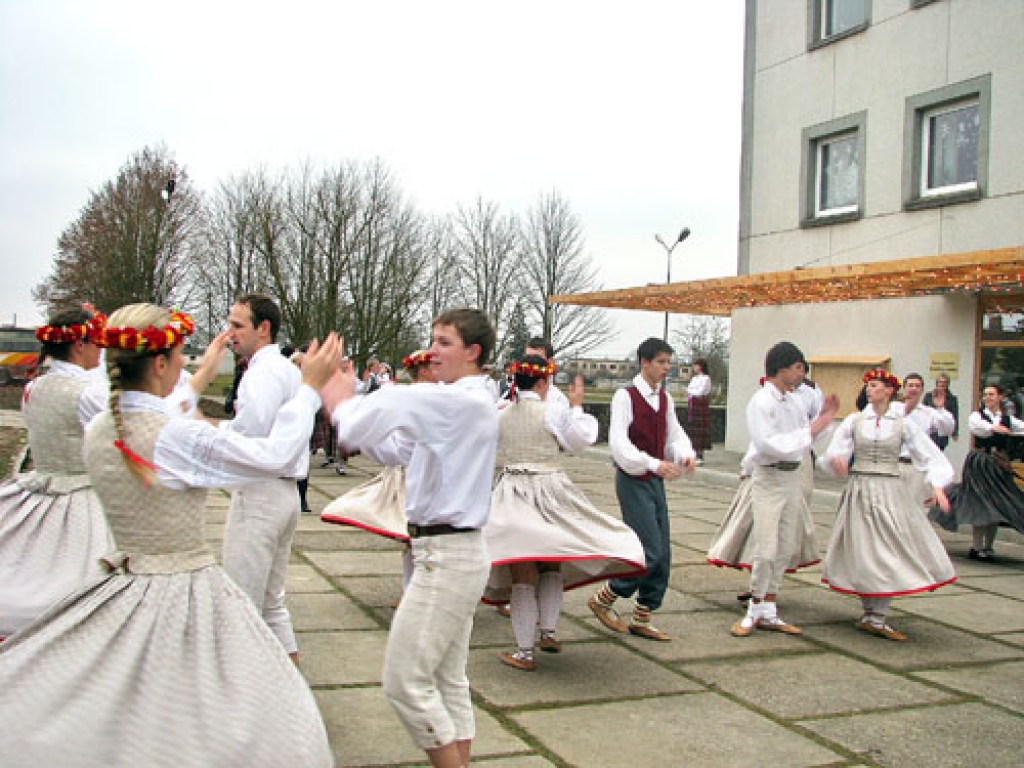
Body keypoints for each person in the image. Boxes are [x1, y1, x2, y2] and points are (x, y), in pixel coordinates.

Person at [0, 304, 336, 767]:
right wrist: (309, 390)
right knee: (220, 707)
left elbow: (163, 411)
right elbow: (275, 456)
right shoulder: (168, 436)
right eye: (180, 356)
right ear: (159, 363)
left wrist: (201, 380)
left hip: (123, 578)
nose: (185, 364)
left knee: (127, 693)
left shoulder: (105, 424)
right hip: (179, 586)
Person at [323, 308, 498, 768]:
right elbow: (394, 447)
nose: (432, 351)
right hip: (448, 551)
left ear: (472, 351)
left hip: (449, 555)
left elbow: (361, 421)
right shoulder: (457, 402)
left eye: (444, 342)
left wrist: (338, 397)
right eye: (433, 340)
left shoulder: (460, 401)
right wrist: (350, 410)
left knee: (405, 682)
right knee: (447, 679)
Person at [484, 355, 645, 671]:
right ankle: (548, 633)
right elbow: (580, 441)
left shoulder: (500, 415)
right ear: (543, 382)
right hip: (550, 489)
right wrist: (576, 406)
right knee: (551, 560)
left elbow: (486, 450)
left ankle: (524, 652)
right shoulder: (551, 413)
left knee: (522, 567)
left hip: (514, 491)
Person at [0, 307, 113, 639]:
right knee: (80, 581)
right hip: (80, 495)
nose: (101, 350)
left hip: (38, 489)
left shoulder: (35, 388)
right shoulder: (88, 393)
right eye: (97, 343)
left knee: (28, 566)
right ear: (79, 345)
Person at [820, 368, 956, 642]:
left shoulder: (903, 423)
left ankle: (878, 616)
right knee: (862, 547)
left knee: (887, 546)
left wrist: (938, 484)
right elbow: (834, 452)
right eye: (868, 386)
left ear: (890, 390)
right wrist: (836, 461)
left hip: (889, 489)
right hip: (859, 489)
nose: (870, 390)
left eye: (876, 385)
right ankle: (870, 613)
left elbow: (929, 454)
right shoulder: (855, 421)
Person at [588, 337, 695, 642]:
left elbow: (674, 434)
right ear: (644, 362)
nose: (667, 368)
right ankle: (606, 597)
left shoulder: (664, 399)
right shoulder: (626, 396)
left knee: (663, 551)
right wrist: (650, 463)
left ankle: (643, 614)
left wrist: (683, 454)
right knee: (648, 549)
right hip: (633, 479)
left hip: (654, 479)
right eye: (661, 362)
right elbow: (619, 443)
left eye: (668, 362)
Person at [220, 293, 308, 662]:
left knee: (241, 604)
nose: (230, 334)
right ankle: (290, 691)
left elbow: (251, 432)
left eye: (238, 325)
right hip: (283, 493)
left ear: (264, 328)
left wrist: (208, 432)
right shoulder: (287, 368)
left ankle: (247, 695)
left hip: (261, 492)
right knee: (272, 604)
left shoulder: (264, 372)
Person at [730, 342, 838, 638]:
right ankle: (754, 607)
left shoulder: (794, 401)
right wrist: (813, 430)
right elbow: (767, 443)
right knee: (765, 547)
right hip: (769, 478)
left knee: (785, 545)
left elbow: (805, 438)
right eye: (798, 367)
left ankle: (770, 608)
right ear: (782, 368)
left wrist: (824, 422)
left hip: (792, 478)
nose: (802, 374)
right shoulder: (761, 401)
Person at [320, 349, 438, 596]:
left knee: (415, 540)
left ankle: (414, 593)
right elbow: (395, 447)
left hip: (414, 475)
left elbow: (387, 444)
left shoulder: (417, 398)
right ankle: (415, 593)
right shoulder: (417, 399)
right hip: (413, 478)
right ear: (424, 370)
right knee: (417, 540)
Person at [930, 382, 1024, 561]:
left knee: (996, 505)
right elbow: (978, 428)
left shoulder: (1008, 419)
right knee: (980, 503)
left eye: (991, 394)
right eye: (985, 395)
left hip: (998, 464)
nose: (987, 398)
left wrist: (1008, 432)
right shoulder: (977, 416)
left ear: (1000, 397)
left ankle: (988, 546)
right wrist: (993, 428)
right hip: (980, 463)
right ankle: (977, 545)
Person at [896, 373, 955, 508]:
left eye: (917, 386)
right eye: (910, 385)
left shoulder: (928, 412)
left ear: (922, 390)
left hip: (917, 467)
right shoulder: (894, 409)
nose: (914, 389)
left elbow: (947, 428)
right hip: (896, 464)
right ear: (904, 388)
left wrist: (940, 408)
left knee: (914, 508)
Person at [923, 373, 959, 450]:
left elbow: (955, 415)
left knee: (939, 451)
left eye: (945, 382)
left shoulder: (952, 398)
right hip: (929, 429)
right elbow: (922, 411)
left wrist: (955, 432)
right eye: (940, 382)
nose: (942, 384)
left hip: (942, 431)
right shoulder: (929, 396)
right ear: (936, 383)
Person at [686, 358, 712, 465]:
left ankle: (700, 455)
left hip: (701, 404)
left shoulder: (706, 378)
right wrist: (691, 392)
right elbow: (688, 390)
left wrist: (692, 392)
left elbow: (700, 392)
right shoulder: (694, 379)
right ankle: (694, 453)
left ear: (700, 366)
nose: (694, 368)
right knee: (694, 431)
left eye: (696, 365)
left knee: (700, 432)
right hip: (693, 405)